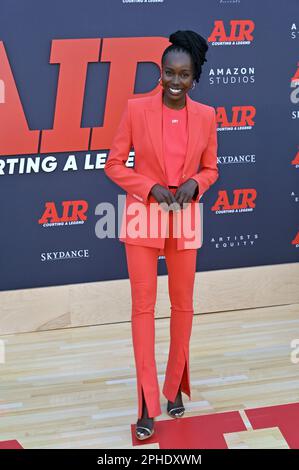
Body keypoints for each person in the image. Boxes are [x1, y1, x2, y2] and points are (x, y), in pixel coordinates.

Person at [104, 30, 219, 440]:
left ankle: (173, 390)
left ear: (194, 77)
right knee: (143, 310)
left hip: (185, 218)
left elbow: (211, 168)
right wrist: (146, 186)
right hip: (143, 216)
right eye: (168, 72)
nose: (175, 81)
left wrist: (196, 184)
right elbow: (114, 163)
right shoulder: (136, 109)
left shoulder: (206, 116)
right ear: (159, 71)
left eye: (183, 75)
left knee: (183, 308)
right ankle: (147, 404)